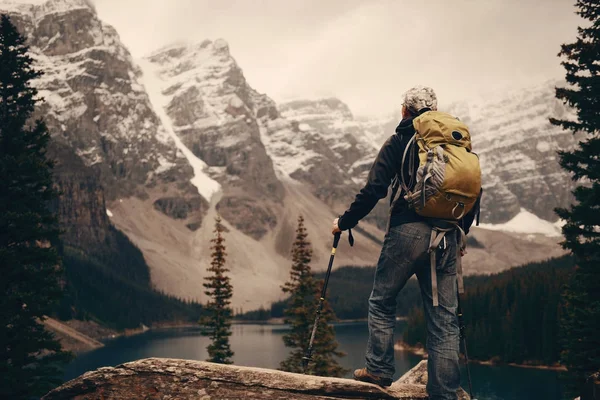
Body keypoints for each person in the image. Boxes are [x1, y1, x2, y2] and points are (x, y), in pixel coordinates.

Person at [332, 86, 480, 400]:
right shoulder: (456, 146)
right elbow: (473, 194)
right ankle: (444, 392)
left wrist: (343, 223)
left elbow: (374, 190)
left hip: (406, 231)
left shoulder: (400, 140)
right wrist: (460, 231)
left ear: (405, 111)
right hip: (446, 236)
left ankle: (379, 369)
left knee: (382, 301)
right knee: (443, 317)